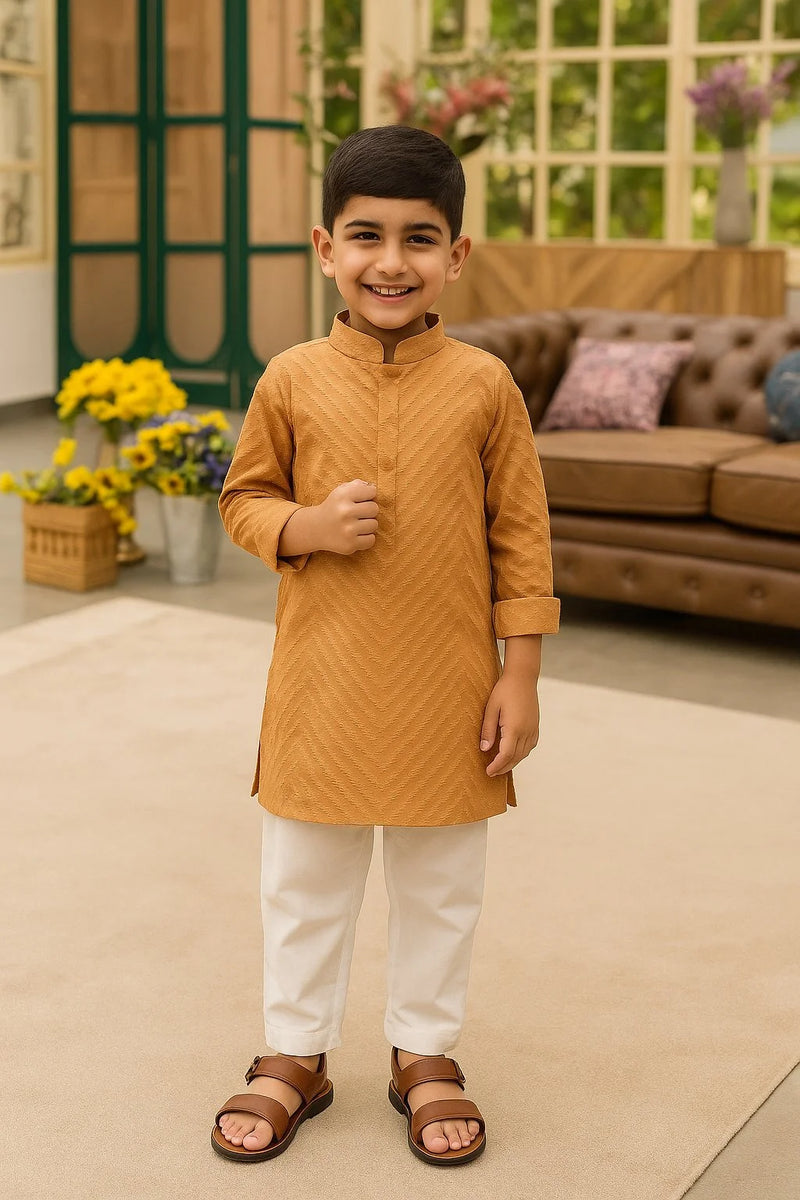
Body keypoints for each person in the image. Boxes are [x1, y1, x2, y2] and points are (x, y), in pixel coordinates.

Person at [210, 124, 560, 1167]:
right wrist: (301, 528)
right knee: (303, 880)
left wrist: (521, 676)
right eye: (366, 236)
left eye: (420, 238)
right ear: (325, 248)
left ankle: (424, 1052)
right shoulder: (289, 378)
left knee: (440, 883)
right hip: (320, 685)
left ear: (455, 256)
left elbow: (522, 536)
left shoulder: (485, 386)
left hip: (448, 690)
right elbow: (243, 500)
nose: (390, 261)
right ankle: (296, 1052)